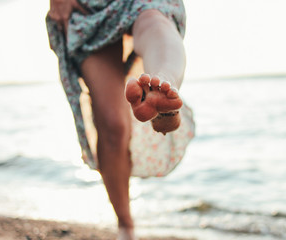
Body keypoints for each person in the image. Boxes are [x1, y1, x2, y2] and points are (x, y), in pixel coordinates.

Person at [46, 0, 194, 239]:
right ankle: (125, 225)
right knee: (112, 125)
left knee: (153, 19)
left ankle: (162, 87)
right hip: (88, 5)